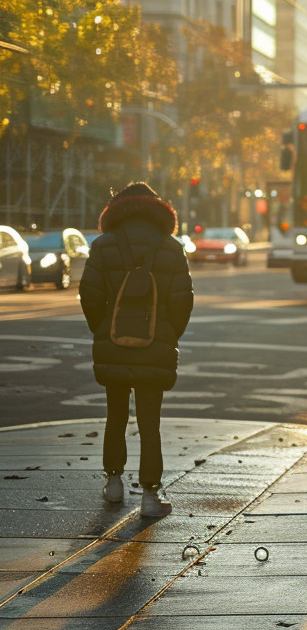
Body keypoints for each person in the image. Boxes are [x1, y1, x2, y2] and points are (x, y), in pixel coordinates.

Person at [80, 182, 194, 518]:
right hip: (154, 345)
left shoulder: (103, 246)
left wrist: (105, 330)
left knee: (115, 414)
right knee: (149, 421)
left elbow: (89, 295)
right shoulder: (171, 248)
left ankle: (114, 484)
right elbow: (183, 301)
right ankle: (149, 496)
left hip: (113, 343)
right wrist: (168, 333)